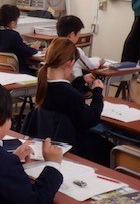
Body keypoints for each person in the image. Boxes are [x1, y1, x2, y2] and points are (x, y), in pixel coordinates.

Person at [25, 37, 111, 166]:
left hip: (48, 138)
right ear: (70, 63)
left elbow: (64, 94)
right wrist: (98, 93)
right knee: (110, 150)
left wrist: (81, 80)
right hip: (72, 144)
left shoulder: (44, 85)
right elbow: (91, 119)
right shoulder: (72, 96)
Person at [56, 15, 105, 92]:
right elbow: (91, 65)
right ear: (72, 35)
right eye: (78, 33)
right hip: (75, 86)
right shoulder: (76, 51)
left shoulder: (54, 49)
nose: (79, 36)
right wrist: (99, 62)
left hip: (60, 87)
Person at [0, 4, 38, 74]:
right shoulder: (13, 35)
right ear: (12, 22)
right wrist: (34, 48)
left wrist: (22, 44)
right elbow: (26, 52)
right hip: (17, 72)